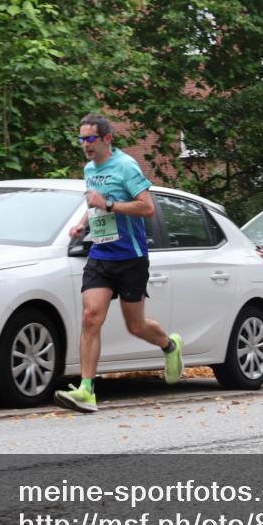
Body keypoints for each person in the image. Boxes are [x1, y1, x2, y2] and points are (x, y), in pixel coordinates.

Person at [54, 113, 182, 413]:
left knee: (135, 326)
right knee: (91, 316)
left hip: (131, 257)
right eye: (81, 139)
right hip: (101, 255)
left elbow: (147, 208)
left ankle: (169, 345)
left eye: (90, 139)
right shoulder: (89, 169)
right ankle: (86, 390)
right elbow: (95, 203)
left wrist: (109, 204)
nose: (85, 144)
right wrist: (83, 224)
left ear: (107, 139)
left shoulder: (126, 166)